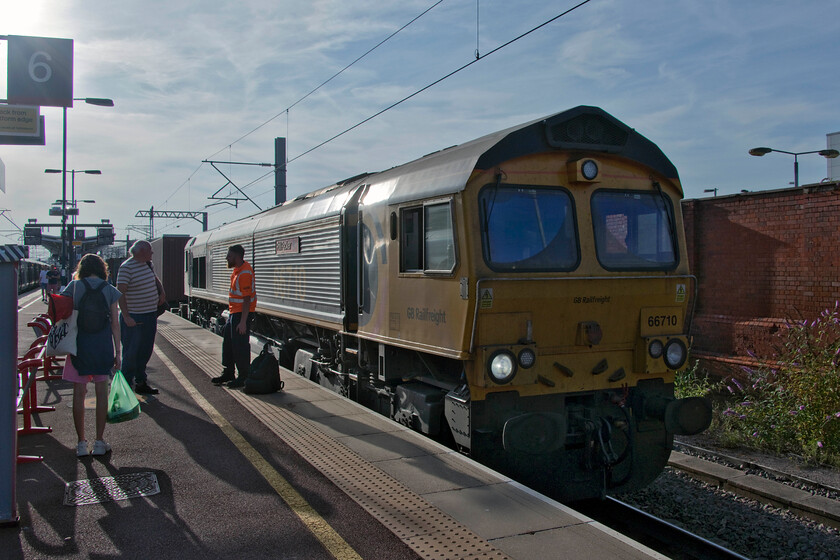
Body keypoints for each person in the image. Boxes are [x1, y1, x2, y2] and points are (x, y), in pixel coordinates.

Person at [61, 254, 122, 457]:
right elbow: (115, 324)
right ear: (102, 269)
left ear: (82, 268)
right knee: (101, 394)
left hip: (78, 347)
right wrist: (118, 353)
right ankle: (99, 442)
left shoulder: (73, 287)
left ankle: (80, 444)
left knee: (79, 394)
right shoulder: (110, 290)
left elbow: (62, 315)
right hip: (102, 347)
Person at [117, 240, 166, 395]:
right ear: (141, 252)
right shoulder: (126, 268)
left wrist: (162, 292)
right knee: (131, 352)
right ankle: (125, 387)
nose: (152, 253)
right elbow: (120, 293)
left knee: (145, 350)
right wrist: (126, 316)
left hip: (150, 315)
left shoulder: (148, 264)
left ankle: (141, 382)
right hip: (134, 317)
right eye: (150, 251)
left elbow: (155, 278)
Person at [212, 244, 256, 388]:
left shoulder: (244, 273)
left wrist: (243, 322)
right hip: (234, 313)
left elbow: (246, 299)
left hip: (241, 315)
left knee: (240, 346)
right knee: (229, 344)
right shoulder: (237, 270)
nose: (227, 258)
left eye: (229, 256)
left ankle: (243, 376)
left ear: (237, 257)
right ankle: (228, 372)